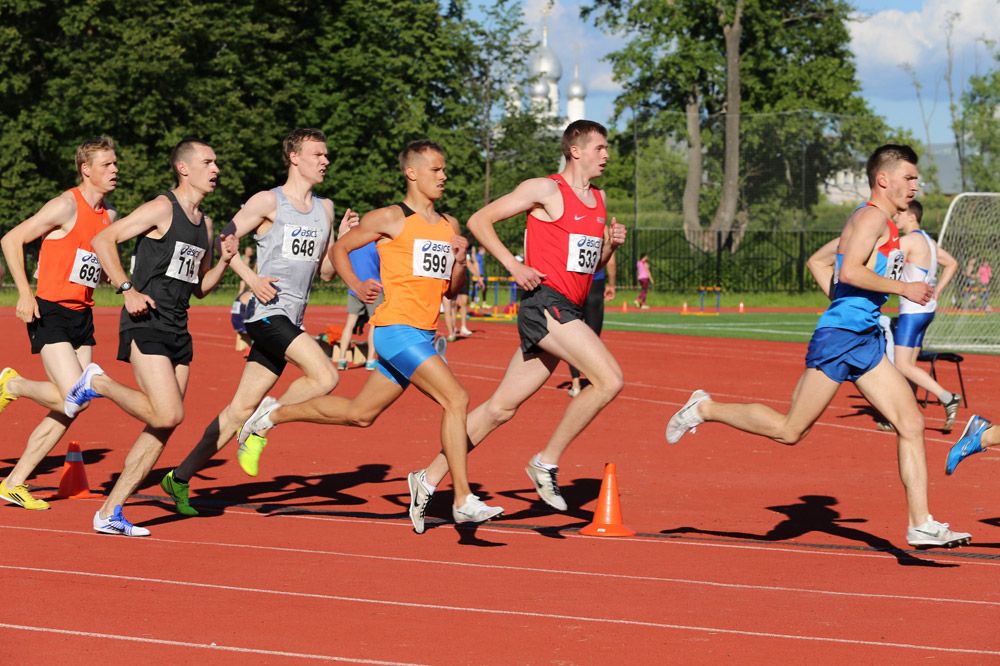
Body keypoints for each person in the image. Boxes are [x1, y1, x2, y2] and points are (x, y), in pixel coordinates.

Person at [667, 144, 971, 549]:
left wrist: (849, 300)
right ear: (884, 179)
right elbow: (847, 268)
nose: (916, 185)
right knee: (790, 430)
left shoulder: (885, 223)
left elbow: (826, 265)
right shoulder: (870, 218)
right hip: (841, 337)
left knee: (911, 423)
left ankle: (921, 523)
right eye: (909, 177)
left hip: (863, 335)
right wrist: (902, 288)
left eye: (916, 178)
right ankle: (704, 408)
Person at [236, 139, 503, 533]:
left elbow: (449, 288)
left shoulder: (449, 225)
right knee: (457, 399)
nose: (444, 176)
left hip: (424, 334)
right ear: (412, 173)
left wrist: (460, 260)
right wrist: (359, 286)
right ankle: (460, 498)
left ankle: (270, 416)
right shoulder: (390, 217)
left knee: (359, 415)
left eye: (445, 170)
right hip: (395, 330)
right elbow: (341, 249)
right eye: (436, 169)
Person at [407, 120, 627, 527]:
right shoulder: (544, 189)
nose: (606, 154)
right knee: (610, 379)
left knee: (500, 408)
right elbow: (478, 220)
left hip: (569, 308)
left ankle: (427, 477)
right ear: (575, 150)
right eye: (600, 147)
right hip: (545, 304)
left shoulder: (599, 199)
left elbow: (588, 266)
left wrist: (610, 246)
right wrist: (512, 264)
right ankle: (545, 463)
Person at [159, 129, 350, 517]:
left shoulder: (326, 209)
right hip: (267, 314)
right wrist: (251, 279)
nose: (325, 161)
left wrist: (342, 239)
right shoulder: (268, 201)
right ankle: (265, 422)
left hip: (292, 319)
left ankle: (179, 477)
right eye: (318, 154)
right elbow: (222, 242)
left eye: (327, 155)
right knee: (326, 377)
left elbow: (327, 273)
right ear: (295, 157)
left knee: (237, 410)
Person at [86, 138, 237, 536]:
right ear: (184, 168)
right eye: (208, 162)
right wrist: (126, 289)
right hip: (145, 320)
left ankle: (110, 512)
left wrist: (224, 261)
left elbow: (200, 287)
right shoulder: (161, 208)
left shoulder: (203, 223)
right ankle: (96, 381)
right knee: (169, 413)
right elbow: (102, 241)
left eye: (217, 162)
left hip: (178, 327)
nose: (216, 168)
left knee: (163, 425)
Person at [0, 137, 120, 510]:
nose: (115, 170)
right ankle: (13, 383)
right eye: (106, 165)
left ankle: (14, 482)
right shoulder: (65, 204)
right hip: (48, 309)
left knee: (75, 405)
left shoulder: (110, 214)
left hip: (82, 314)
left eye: (115, 164)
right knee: (73, 393)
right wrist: (24, 293)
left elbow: (88, 259)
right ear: (86, 169)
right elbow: (11, 239)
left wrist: (98, 275)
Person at [893, 200, 961, 431]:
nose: (895, 217)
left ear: (912, 216)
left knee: (902, 364)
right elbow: (952, 263)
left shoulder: (908, 241)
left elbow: (886, 266)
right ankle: (907, 416)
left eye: (900, 214)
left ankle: (947, 397)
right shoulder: (929, 243)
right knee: (909, 363)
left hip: (912, 311)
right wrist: (937, 291)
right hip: (927, 310)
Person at [334, 222, 381, 371]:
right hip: (375, 287)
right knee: (374, 325)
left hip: (354, 287)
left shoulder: (351, 245)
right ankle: (370, 360)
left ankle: (342, 359)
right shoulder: (375, 244)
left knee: (350, 324)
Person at [568, 254, 616, 397]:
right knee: (593, 337)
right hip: (596, 283)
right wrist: (612, 284)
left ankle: (575, 383)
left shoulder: (572, 230)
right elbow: (611, 261)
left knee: (571, 334)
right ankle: (591, 380)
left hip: (574, 282)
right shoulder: (604, 230)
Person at [232, 245, 255, 353]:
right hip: (246, 283)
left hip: (247, 284)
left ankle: (244, 343)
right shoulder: (245, 259)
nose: (251, 252)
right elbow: (244, 273)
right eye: (249, 250)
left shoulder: (248, 259)